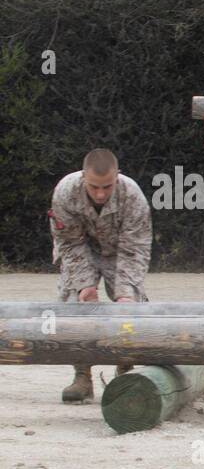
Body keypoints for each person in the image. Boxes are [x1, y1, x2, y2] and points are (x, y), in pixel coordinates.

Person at [48, 149, 153, 402]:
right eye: (94, 187)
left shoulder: (132, 195)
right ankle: (82, 377)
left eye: (107, 186)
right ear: (84, 176)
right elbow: (69, 243)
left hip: (121, 251)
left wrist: (125, 293)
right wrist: (85, 285)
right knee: (75, 307)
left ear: (117, 177)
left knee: (130, 310)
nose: (101, 193)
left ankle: (125, 370)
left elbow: (135, 246)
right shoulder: (65, 192)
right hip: (81, 248)